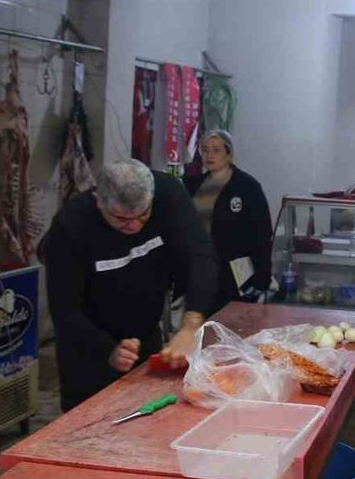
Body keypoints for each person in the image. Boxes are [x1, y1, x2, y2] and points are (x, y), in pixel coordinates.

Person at [43, 159, 221, 411]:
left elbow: (201, 256)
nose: (135, 226)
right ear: (98, 201)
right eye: (121, 219)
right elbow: (64, 309)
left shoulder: (168, 194)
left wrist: (191, 325)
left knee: (151, 416)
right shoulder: (70, 226)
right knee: (91, 422)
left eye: (143, 215)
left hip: (145, 335)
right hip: (88, 347)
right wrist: (108, 349)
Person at [184, 130, 274, 305]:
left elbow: (262, 233)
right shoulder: (193, 185)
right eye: (205, 150)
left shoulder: (247, 186)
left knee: (233, 316)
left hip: (237, 271)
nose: (209, 155)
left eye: (216, 150)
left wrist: (263, 275)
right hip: (201, 267)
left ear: (229, 153)